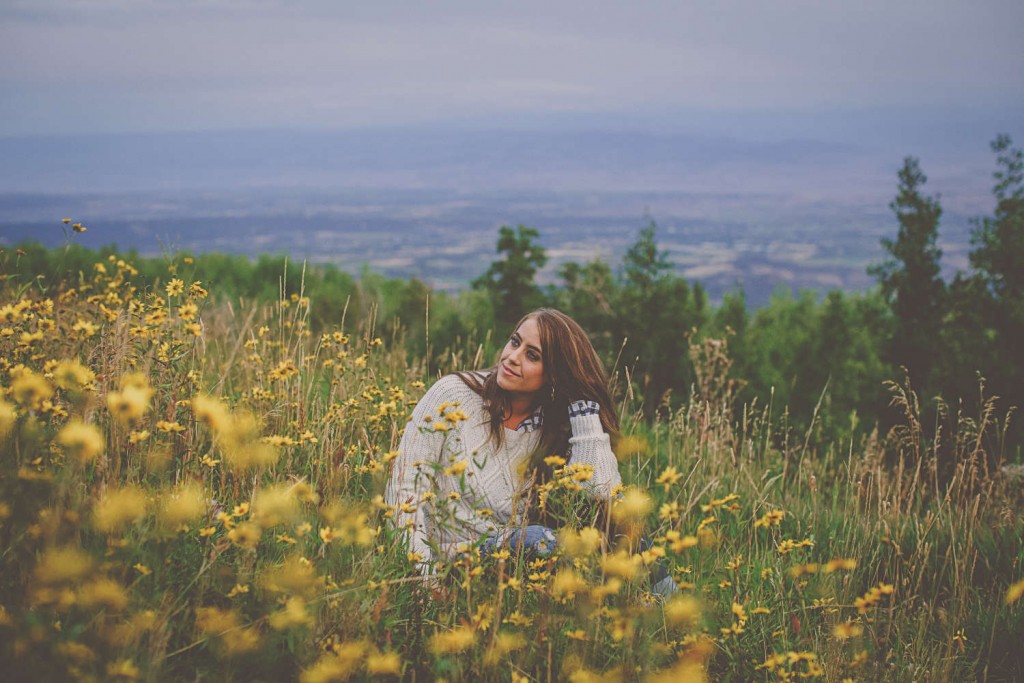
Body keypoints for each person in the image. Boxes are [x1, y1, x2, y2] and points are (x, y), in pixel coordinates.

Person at [384, 308, 623, 576]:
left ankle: (667, 608)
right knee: (538, 539)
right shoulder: (452, 395)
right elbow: (404, 490)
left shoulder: (554, 430)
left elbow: (604, 498)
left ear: (554, 375)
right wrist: (424, 580)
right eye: (515, 341)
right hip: (445, 559)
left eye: (532, 356)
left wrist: (584, 412)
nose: (512, 357)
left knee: (625, 527)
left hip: (512, 567)